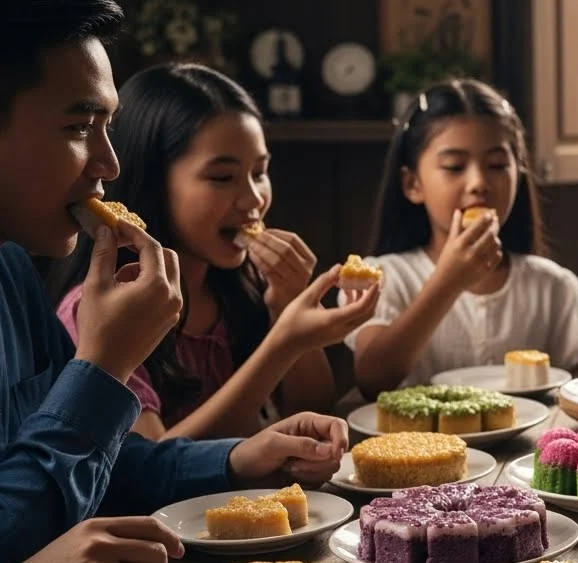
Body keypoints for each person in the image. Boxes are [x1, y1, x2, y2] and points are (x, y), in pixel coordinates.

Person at [0, 0, 346, 563]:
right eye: (79, 127)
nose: (108, 164)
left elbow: (90, 468)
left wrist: (234, 461)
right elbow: (22, 536)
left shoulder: (11, 272)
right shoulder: (74, 302)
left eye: (108, 128)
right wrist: (103, 365)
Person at [50, 64, 380, 439]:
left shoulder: (241, 285)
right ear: (154, 181)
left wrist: (285, 304)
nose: (254, 199)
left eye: (259, 172)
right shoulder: (99, 309)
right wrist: (282, 345)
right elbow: (149, 466)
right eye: (222, 177)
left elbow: (313, 416)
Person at [345, 78, 578, 397]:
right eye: (454, 166)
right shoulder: (383, 279)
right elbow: (373, 380)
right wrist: (447, 281)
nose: (478, 183)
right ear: (412, 185)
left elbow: (573, 395)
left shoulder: (554, 287)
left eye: (497, 165)